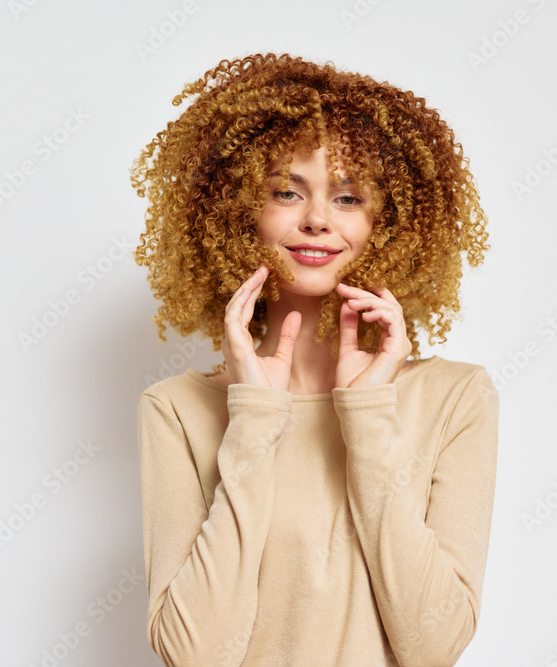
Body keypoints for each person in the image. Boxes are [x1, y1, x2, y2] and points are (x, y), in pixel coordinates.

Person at [132, 53, 498, 666]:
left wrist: (368, 413)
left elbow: (433, 647)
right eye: (285, 192)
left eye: (349, 197)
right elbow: (193, 657)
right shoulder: (177, 410)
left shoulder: (456, 399)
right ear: (236, 212)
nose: (318, 220)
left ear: (391, 223)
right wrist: (254, 417)